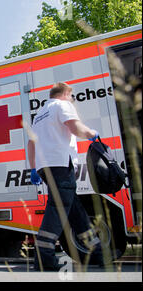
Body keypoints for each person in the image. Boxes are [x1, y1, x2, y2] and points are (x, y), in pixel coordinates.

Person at [27, 82, 103, 271]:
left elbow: (31, 144)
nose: (72, 99)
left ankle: (98, 252)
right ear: (65, 94)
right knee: (58, 208)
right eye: (71, 96)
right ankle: (44, 258)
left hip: (45, 167)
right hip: (60, 164)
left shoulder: (39, 115)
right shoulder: (62, 105)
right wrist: (91, 133)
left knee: (76, 211)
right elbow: (75, 128)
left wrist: (34, 168)